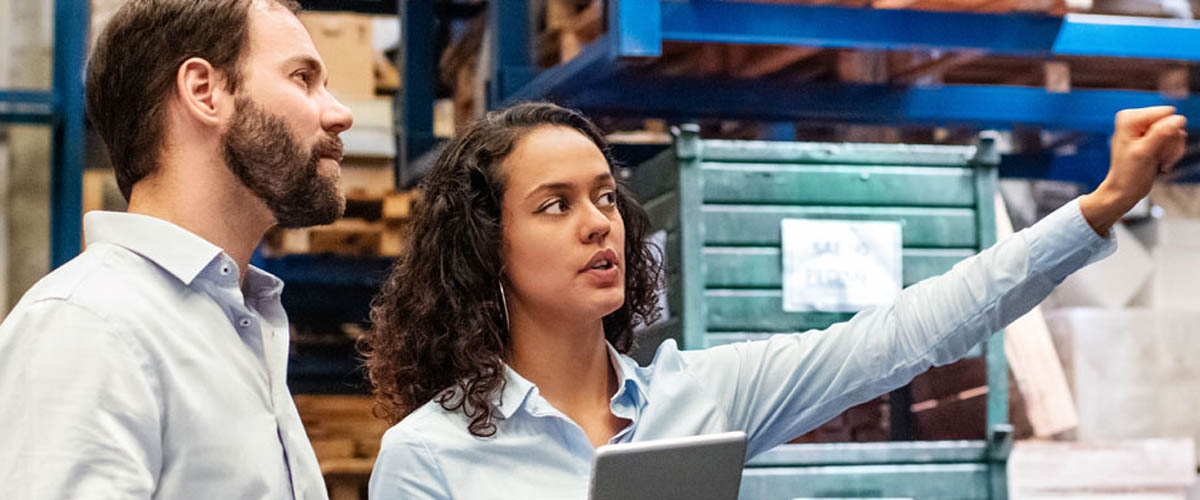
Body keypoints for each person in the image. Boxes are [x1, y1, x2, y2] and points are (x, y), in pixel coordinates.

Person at [362, 101, 1186, 499]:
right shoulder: (428, 457)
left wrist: (1100, 206)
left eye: (605, 197)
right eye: (555, 205)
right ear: (484, 244)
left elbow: (909, 332)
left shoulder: (705, 398)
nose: (596, 224)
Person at [0, 0, 353, 498]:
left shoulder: (234, 323)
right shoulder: (87, 327)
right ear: (204, 91)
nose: (340, 113)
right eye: (302, 78)